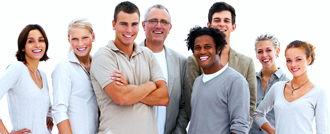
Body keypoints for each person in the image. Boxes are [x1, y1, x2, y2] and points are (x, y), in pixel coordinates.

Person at [90, 1, 169, 134]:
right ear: (113, 24)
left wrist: (129, 89)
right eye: (123, 24)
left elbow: (164, 98)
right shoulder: (103, 56)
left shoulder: (147, 54)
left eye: (134, 24)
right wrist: (150, 85)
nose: (129, 30)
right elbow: (121, 98)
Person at [184, 2, 256, 125]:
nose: (222, 24)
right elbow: (191, 102)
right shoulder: (195, 60)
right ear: (209, 25)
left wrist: (239, 130)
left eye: (226, 20)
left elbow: (250, 104)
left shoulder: (247, 63)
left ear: (233, 27)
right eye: (217, 20)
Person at [253, 40, 329, 134]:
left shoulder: (319, 93)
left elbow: (323, 131)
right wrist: (273, 131)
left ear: (309, 60)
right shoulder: (278, 88)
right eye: (289, 60)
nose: (293, 65)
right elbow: (258, 114)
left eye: (298, 59)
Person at [186, 26, 250, 134]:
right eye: (197, 47)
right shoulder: (197, 82)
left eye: (207, 47)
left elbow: (240, 127)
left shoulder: (235, 81)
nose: (202, 51)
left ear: (219, 48)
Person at [139, 4, 188, 134]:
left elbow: (184, 105)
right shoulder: (128, 57)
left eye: (164, 22)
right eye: (153, 21)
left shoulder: (181, 62)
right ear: (144, 25)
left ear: (169, 28)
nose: (158, 26)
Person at [0, 24, 53, 134]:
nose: (37, 45)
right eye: (31, 41)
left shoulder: (42, 74)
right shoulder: (17, 69)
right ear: (23, 47)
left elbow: (46, 108)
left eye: (41, 40)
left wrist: (50, 117)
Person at [52, 18, 98, 134]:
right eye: (75, 39)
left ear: (93, 37)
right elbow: (59, 110)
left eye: (85, 38)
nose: (80, 44)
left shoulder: (98, 66)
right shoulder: (64, 67)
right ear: (69, 40)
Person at [248, 34, 289, 134]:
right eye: (260, 51)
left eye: (268, 50)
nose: (264, 55)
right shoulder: (249, 81)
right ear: (256, 55)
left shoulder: (287, 83)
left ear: (277, 51)